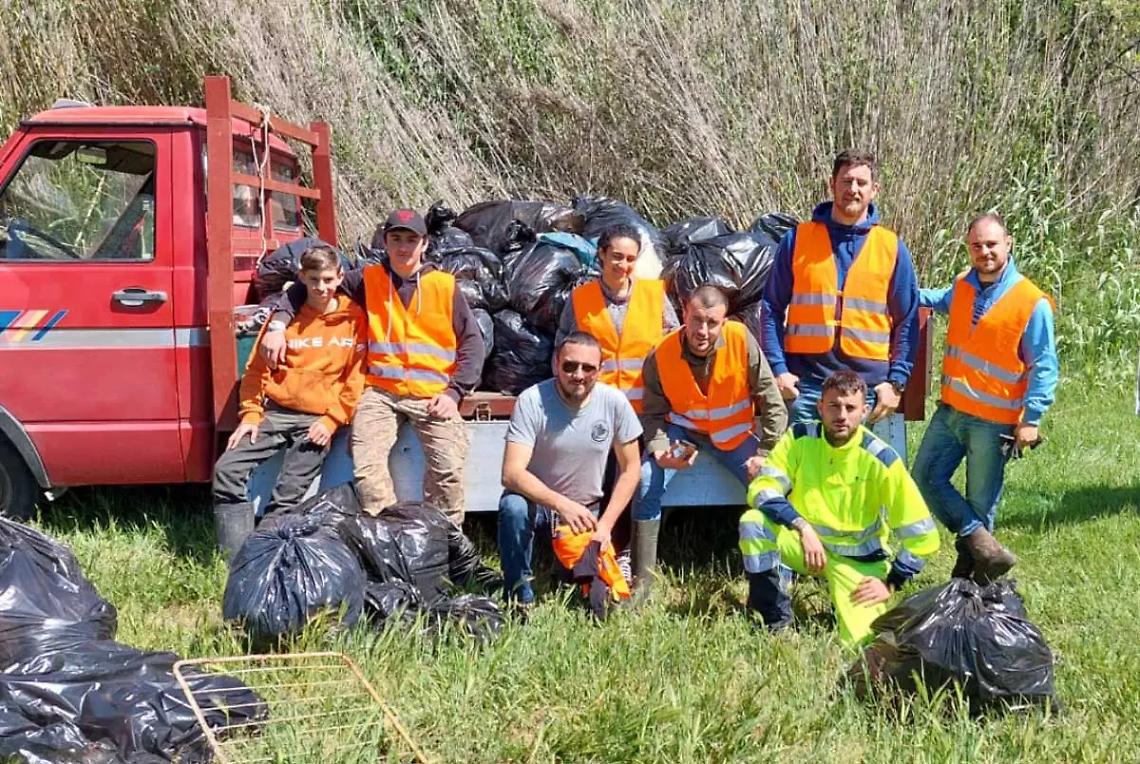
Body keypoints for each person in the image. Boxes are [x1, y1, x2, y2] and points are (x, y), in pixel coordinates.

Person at [260, 208, 485, 525]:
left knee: (447, 469)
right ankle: (389, 535)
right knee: (367, 468)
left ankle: (444, 538)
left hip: (432, 395)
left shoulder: (444, 286)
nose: (403, 247)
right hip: (380, 393)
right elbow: (308, 285)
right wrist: (277, 325)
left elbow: (473, 342)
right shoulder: (369, 279)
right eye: (396, 239)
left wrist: (454, 392)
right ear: (385, 241)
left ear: (424, 243)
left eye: (411, 240)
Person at [738, 371, 940, 647]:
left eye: (850, 408)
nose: (841, 415)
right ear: (820, 407)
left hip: (857, 562)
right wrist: (802, 527)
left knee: (864, 646)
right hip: (805, 545)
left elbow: (922, 535)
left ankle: (843, 603)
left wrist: (891, 583)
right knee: (753, 523)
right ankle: (774, 621)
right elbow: (762, 489)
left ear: (864, 411)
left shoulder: (881, 459)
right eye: (833, 406)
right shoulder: (799, 438)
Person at [912, 213, 1058, 582]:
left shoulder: (1030, 302)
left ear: (1008, 243)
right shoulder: (963, 286)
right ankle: (984, 550)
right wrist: (897, 292)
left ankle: (972, 579)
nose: (985, 251)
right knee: (925, 477)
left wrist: (1031, 419)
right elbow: (937, 299)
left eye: (991, 244)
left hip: (994, 422)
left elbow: (1044, 365)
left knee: (980, 502)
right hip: (951, 412)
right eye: (976, 245)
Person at [760, 149, 919, 460]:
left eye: (861, 182)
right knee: (802, 473)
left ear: (875, 190)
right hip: (807, 387)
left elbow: (908, 320)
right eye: (846, 181)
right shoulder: (797, 240)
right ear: (831, 184)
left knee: (862, 478)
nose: (853, 189)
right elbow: (770, 309)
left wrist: (896, 384)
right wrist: (779, 370)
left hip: (867, 391)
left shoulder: (891, 247)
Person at [634, 285, 787, 599]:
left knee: (770, 486)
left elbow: (772, 401)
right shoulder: (661, 353)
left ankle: (778, 577)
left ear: (724, 322)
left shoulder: (742, 340)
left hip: (734, 435)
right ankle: (641, 585)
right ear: (684, 314)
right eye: (696, 320)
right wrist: (660, 450)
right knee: (647, 479)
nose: (703, 331)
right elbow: (652, 414)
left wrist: (765, 451)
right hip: (684, 432)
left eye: (712, 323)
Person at [213, 245, 366, 557]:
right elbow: (256, 370)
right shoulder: (283, 319)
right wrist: (251, 414)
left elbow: (357, 378)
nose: (321, 287)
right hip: (276, 412)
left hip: (318, 419)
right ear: (302, 277)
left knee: (288, 493)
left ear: (340, 277)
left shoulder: (354, 317)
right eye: (314, 279)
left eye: (327, 279)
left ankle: (266, 555)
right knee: (225, 470)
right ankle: (234, 559)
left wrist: (333, 420)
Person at [498, 332, 642, 609]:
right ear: (555, 364)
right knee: (512, 507)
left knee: (595, 597)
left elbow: (632, 467)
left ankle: (568, 571)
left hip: (587, 513)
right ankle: (519, 597)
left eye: (588, 368)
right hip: (541, 508)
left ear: (600, 369)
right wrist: (561, 504)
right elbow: (511, 473)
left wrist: (605, 526)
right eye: (570, 366)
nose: (578, 375)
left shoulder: (614, 402)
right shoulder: (531, 401)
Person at [557, 223, 680, 412]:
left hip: (647, 410)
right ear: (602, 254)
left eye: (630, 259)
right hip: (596, 408)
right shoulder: (580, 298)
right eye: (617, 256)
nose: (623, 265)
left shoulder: (654, 295)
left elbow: (675, 344)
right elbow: (562, 351)